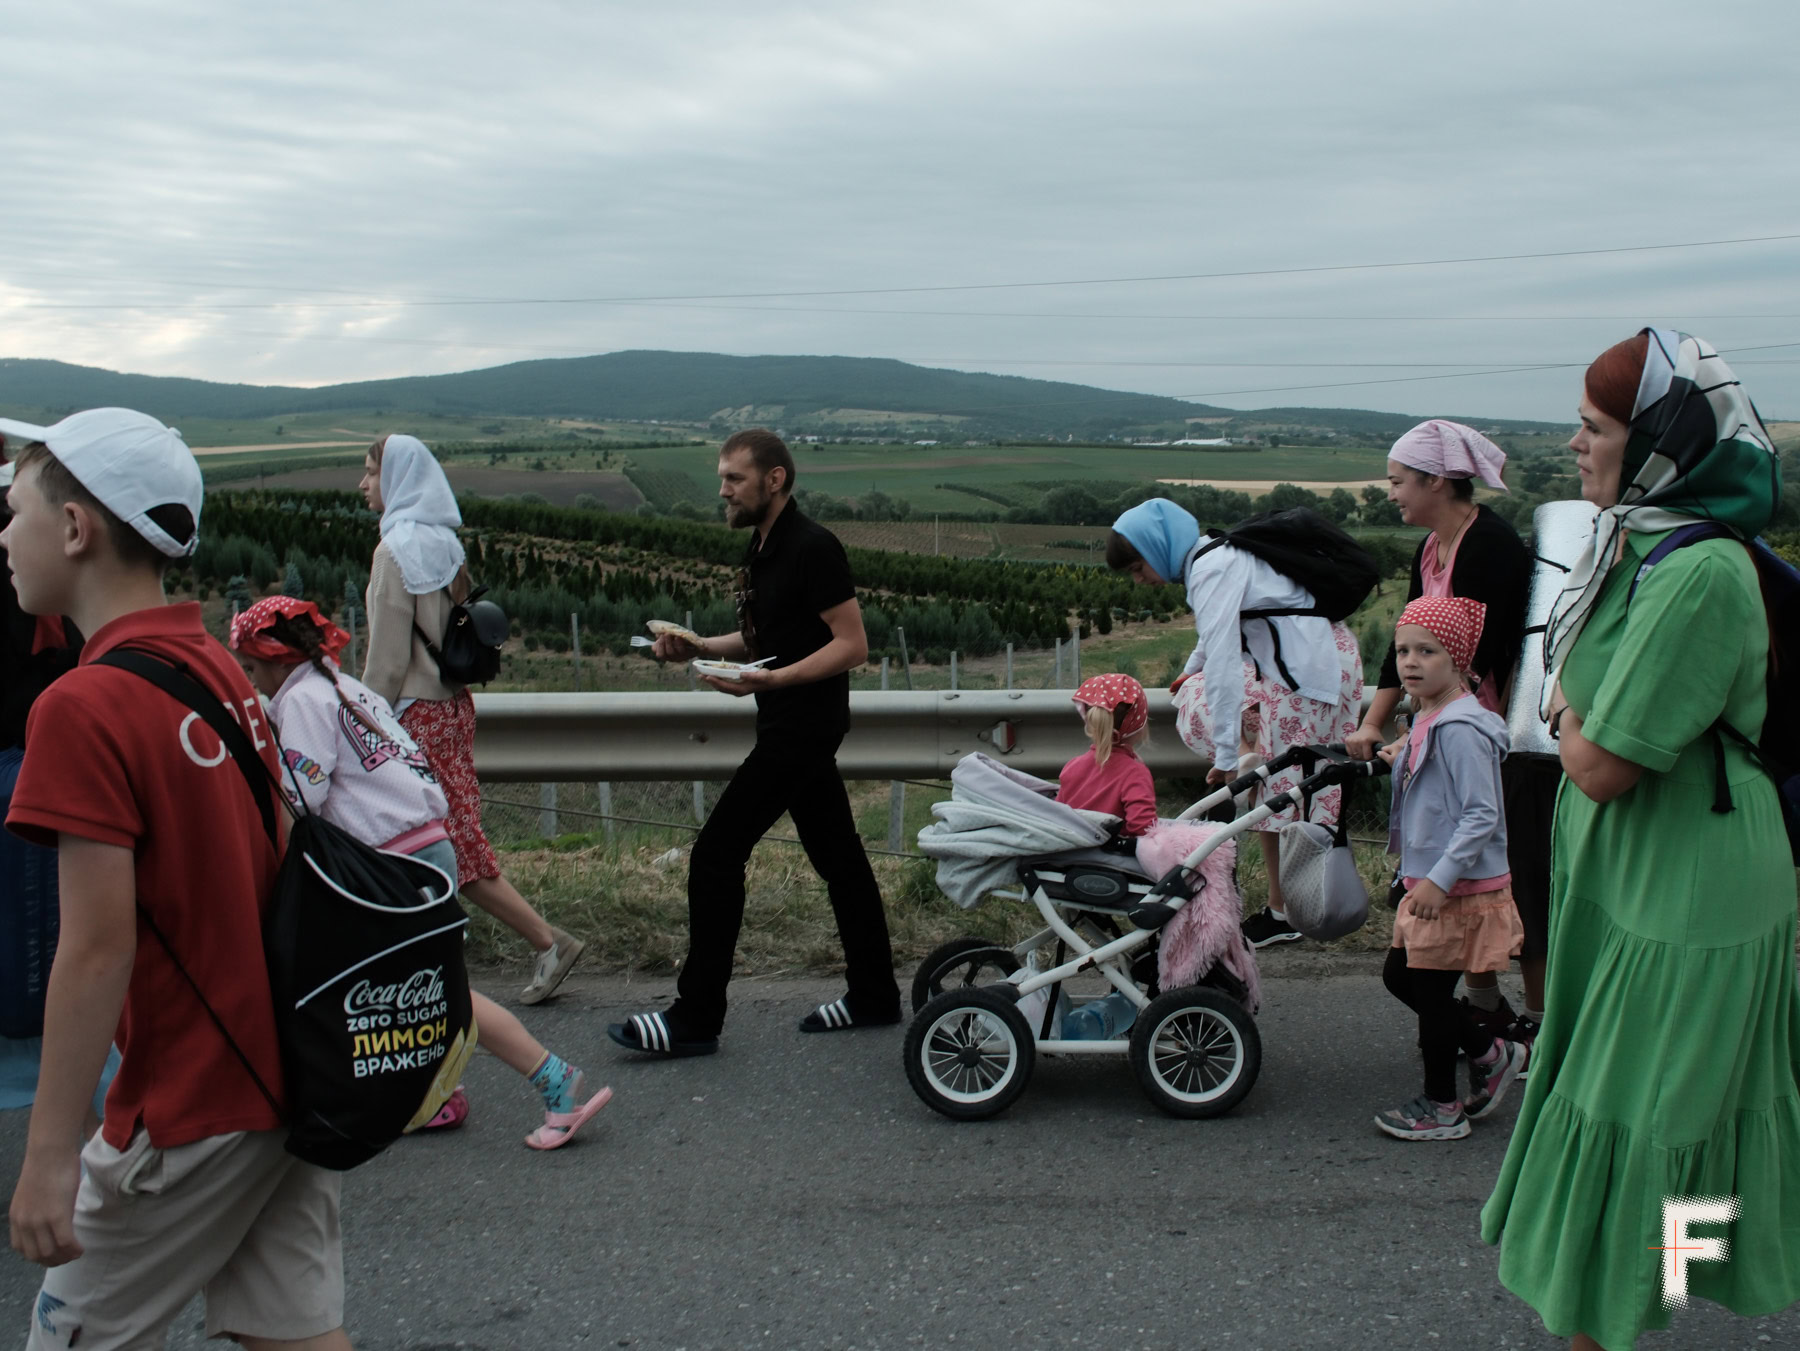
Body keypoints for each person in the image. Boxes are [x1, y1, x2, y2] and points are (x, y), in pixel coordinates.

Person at [2, 409, 351, 1349]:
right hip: (289, 1072)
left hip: (191, 1101)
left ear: (74, 529)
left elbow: (97, 946)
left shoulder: (82, 703)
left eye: (13, 507)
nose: (2, 533)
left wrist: (49, 1159)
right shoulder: (216, 666)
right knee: (294, 1335)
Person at [1481, 330, 1800, 1349]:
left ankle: (1624, 1312)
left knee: (1650, 1119)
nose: (1574, 444)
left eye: (1593, 427)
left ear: (1659, 439)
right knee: (1635, 1110)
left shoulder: (1698, 569)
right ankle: (1646, 1300)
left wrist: (1573, 706)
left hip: (1689, 883)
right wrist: (1583, 708)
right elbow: (1583, 720)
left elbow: (1598, 762)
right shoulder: (1636, 539)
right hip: (1634, 873)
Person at [228, 597, 615, 1150]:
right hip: (427, 847)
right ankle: (434, 1093)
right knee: (418, 987)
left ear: (274, 660)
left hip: (387, 863)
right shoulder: (345, 690)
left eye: (250, 666)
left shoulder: (302, 703)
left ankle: (554, 1082)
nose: (250, 678)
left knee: (429, 991)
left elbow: (302, 798)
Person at [610, 429, 899, 1055]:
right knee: (841, 861)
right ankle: (876, 994)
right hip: (787, 720)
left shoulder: (813, 547)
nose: (722, 489)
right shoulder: (763, 548)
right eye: (722, 477)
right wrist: (699, 647)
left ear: (774, 480)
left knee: (715, 854)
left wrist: (771, 681)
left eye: (734, 479)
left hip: (801, 727)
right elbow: (768, 633)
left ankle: (695, 1017)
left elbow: (852, 645)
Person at [358, 433, 583, 1005]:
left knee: (441, 841)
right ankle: (431, 958)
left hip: (412, 716)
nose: (362, 484)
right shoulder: (445, 546)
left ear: (398, 479)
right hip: (454, 707)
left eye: (370, 472)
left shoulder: (391, 553)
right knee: (442, 836)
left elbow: (385, 664)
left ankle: (544, 942)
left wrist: (359, 725)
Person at [1343, 420, 1542, 1053]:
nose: (1392, 494)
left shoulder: (1489, 548)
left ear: (1435, 480)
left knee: (1501, 874)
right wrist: (1376, 721)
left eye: (1399, 482)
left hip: (1483, 730)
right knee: (1466, 878)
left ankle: (1533, 1028)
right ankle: (1486, 1008)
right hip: (1443, 720)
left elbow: (1481, 652)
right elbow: (1408, 642)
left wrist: (1423, 726)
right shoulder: (1431, 548)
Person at [1105, 497, 1364, 948]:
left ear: (1157, 547)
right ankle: (1286, 909)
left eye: (1136, 567)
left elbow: (1224, 662)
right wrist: (1190, 671)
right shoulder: (1214, 555)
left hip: (1309, 673)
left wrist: (1226, 757)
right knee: (1279, 787)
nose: (1140, 580)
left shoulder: (1210, 569)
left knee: (1287, 792)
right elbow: (1214, 640)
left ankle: (1306, 909)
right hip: (1309, 666)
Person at [1372, 597, 1528, 1141]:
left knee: (1429, 995)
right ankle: (1491, 1050)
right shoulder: (1429, 716)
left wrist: (1440, 880)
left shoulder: (1461, 728)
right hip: (1435, 878)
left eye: (1427, 652)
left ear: (1458, 660)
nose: (1410, 663)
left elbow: (1482, 811)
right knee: (1402, 977)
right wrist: (1402, 755)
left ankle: (1442, 1108)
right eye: (1402, 651)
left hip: (1455, 885)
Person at [1055, 673, 1156, 835]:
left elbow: (1058, 815)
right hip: (1113, 858)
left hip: (1073, 854)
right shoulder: (1134, 772)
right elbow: (1144, 828)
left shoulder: (1072, 766)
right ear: (1138, 723)